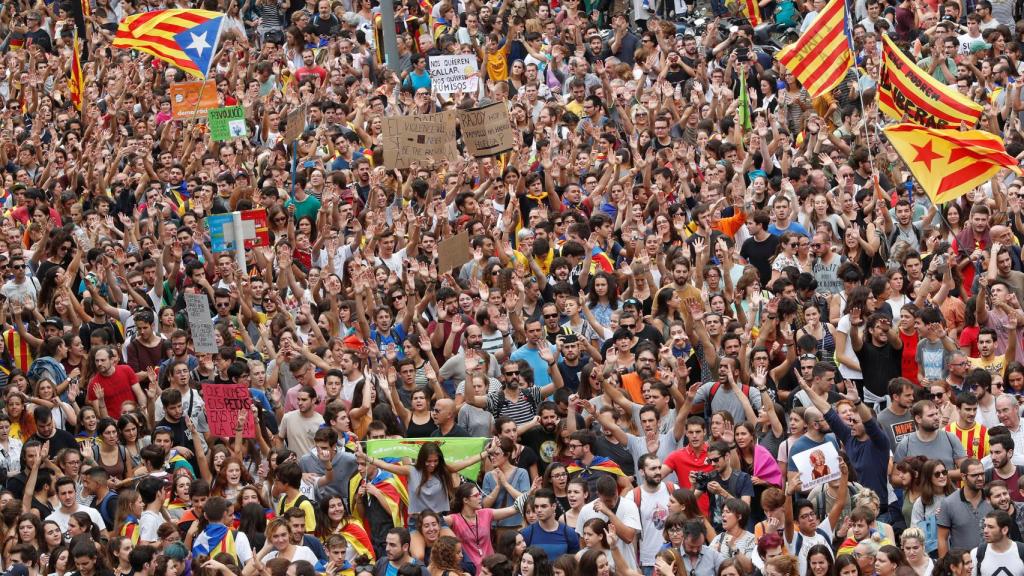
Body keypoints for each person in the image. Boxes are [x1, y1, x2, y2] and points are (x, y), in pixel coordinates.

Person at [937, 459, 992, 558]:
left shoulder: (992, 499)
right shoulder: (948, 503)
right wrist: (944, 564)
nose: (980, 478)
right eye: (975, 475)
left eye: (982, 474)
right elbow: (942, 539)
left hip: (990, 560)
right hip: (961, 563)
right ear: (963, 477)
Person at [971, 510, 1024, 576]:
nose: (985, 531)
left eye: (991, 527)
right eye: (984, 526)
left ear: (1004, 530)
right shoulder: (976, 553)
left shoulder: (1021, 551)